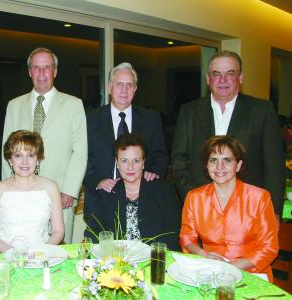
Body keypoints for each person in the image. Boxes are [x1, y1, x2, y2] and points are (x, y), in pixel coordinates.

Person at [171, 50, 285, 218]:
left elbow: (274, 167)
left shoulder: (262, 111)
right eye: (216, 74)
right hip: (202, 210)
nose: (222, 80)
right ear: (208, 79)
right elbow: (178, 161)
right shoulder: (189, 111)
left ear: (240, 78)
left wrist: (272, 212)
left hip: (250, 211)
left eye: (230, 74)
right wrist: (195, 197)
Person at [1, 47, 87, 243]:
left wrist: (70, 190)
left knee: (61, 250)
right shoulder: (14, 106)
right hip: (21, 192)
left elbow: (80, 152)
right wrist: (7, 190)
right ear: (29, 71)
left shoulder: (74, 105)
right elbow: (6, 152)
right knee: (24, 247)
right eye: (36, 68)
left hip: (61, 193)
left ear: (55, 71)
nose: (41, 74)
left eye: (46, 68)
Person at [179, 136, 278, 281]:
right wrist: (203, 255)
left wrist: (233, 267)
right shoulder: (194, 197)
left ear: (238, 165)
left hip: (251, 273)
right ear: (206, 165)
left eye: (227, 160)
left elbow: (269, 247)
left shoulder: (260, 197)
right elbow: (186, 237)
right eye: (213, 160)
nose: (220, 167)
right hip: (210, 272)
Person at [84, 62, 169, 229]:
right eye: (119, 84)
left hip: (143, 200)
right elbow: (82, 157)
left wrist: (154, 173)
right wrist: (98, 181)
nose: (124, 90)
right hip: (102, 200)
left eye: (129, 85)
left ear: (135, 89)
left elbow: (161, 154)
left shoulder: (151, 118)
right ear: (109, 88)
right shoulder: (90, 119)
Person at [86, 133, 181, 251]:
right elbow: (93, 235)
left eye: (136, 160)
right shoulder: (105, 194)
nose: (130, 167)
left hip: (154, 261)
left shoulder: (163, 191)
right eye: (124, 161)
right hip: (116, 263)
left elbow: (172, 234)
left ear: (143, 162)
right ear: (117, 162)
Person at [0, 130, 64, 252]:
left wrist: (40, 253)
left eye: (31, 155)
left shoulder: (51, 187)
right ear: (10, 160)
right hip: (5, 257)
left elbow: (58, 232)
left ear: (38, 159)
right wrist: (17, 255)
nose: (24, 162)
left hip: (42, 256)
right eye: (18, 155)